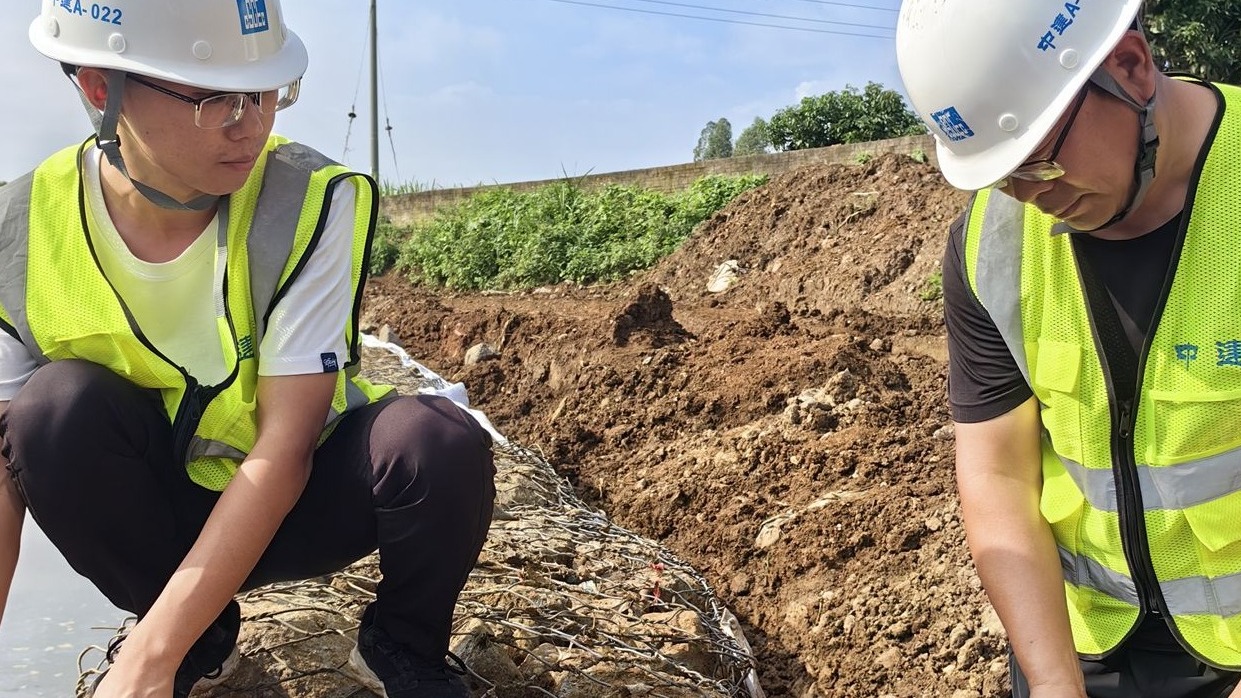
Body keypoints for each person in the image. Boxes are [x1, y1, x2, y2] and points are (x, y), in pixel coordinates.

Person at [0, 1, 496, 697]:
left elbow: (285, 446)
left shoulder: (306, 199)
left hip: (297, 495)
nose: (253, 124)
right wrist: (161, 647)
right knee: (48, 413)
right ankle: (198, 645)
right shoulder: (22, 226)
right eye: (214, 100)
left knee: (437, 443)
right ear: (97, 88)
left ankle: (401, 647)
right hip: (153, 519)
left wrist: (143, 663)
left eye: (266, 94)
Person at [896, 1, 1241, 696]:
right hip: (1087, 643)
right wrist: (1053, 682)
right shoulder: (990, 248)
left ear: (1130, 67)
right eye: (1000, 176)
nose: (1026, 199)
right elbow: (997, 478)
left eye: (1039, 165)